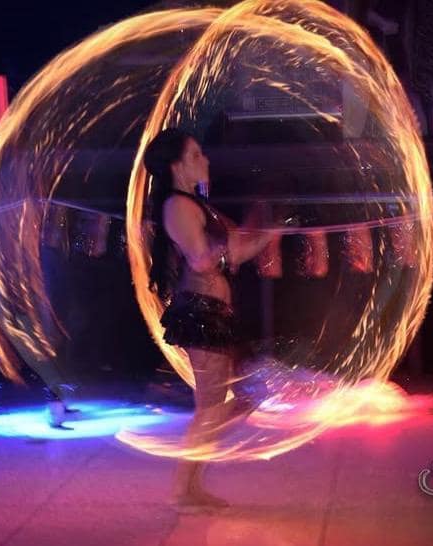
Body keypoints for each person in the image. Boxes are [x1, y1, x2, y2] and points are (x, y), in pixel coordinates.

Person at [144, 128, 275, 512]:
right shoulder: (177, 206)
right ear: (177, 166)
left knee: (243, 396)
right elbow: (202, 259)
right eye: (196, 155)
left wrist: (270, 229)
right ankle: (182, 491)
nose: (206, 160)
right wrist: (233, 242)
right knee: (211, 406)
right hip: (201, 314)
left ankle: (191, 486)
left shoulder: (196, 205)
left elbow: (236, 252)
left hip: (216, 313)